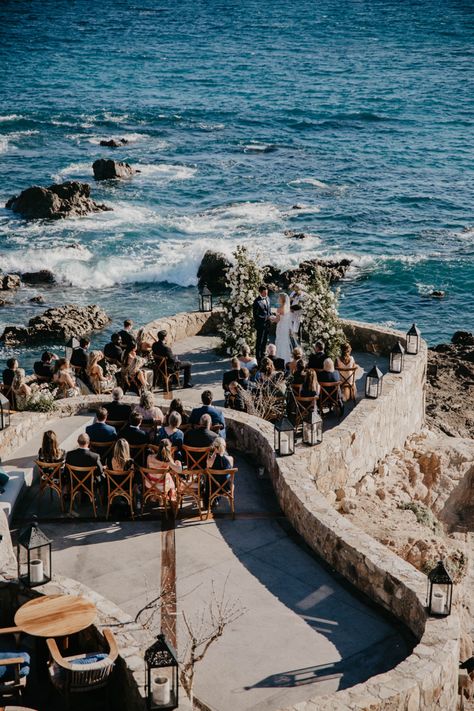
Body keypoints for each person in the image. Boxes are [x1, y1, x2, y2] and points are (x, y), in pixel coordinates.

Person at [205, 437, 234, 508]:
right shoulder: (230, 459)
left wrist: (214, 453)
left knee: (208, 477)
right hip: (226, 488)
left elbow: (207, 467)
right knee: (224, 478)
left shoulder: (210, 461)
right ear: (224, 446)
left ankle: (212, 500)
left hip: (213, 488)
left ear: (214, 447)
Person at [272, 293, 293, 366]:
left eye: (279, 298)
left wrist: (270, 318)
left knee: (280, 342)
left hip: (281, 327)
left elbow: (277, 320)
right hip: (285, 328)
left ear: (282, 299)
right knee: (284, 342)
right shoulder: (287, 307)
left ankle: (279, 359)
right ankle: (286, 359)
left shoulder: (280, 308)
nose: (278, 299)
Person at [252, 285, 271, 364]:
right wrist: (265, 318)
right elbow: (255, 315)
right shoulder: (256, 302)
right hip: (260, 324)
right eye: (264, 293)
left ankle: (263, 353)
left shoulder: (268, 298)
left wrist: (271, 315)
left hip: (267, 324)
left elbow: (268, 310)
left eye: (267, 293)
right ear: (260, 292)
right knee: (259, 340)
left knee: (265, 340)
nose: (266, 294)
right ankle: (258, 356)